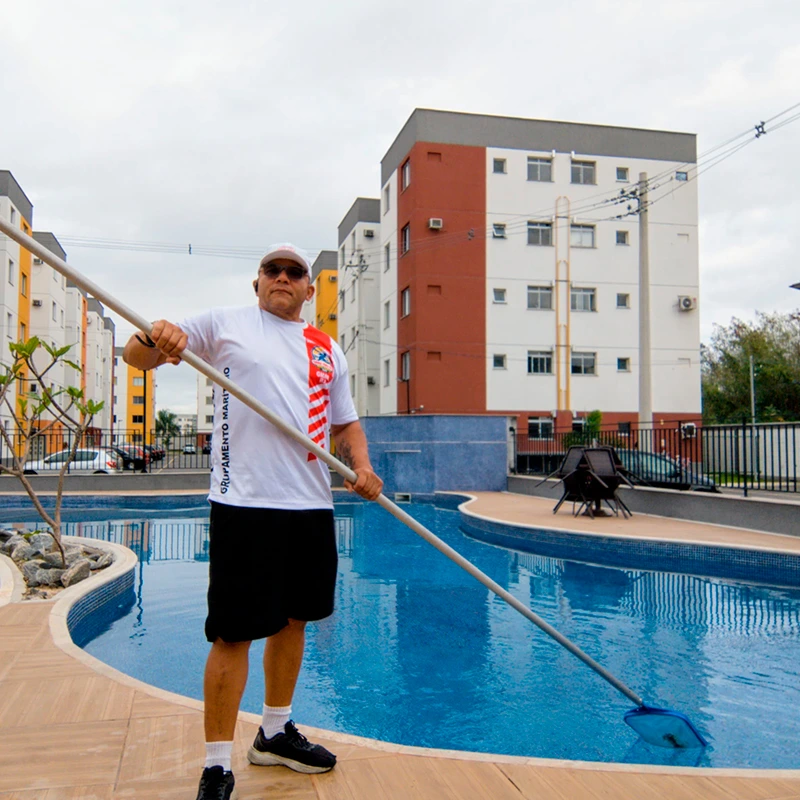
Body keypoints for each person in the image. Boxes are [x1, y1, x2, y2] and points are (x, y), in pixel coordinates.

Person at [123, 243, 383, 800]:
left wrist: (361, 466)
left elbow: (347, 425)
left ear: (310, 290)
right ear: (257, 282)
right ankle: (217, 763)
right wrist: (155, 337)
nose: (283, 277)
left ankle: (273, 732)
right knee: (233, 633)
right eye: (273, 270)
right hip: (244, 503)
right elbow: (136, 356)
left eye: (295, 273)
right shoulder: (224, 325)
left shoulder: (325, 349)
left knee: (295, 622)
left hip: (311, 505)